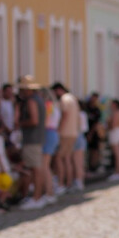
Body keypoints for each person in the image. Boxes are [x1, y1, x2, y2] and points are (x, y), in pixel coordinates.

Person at [16, 76, 51, 210]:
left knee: (35, 169)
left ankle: (37, 197)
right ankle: (38, 196)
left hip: (32, 138)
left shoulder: (31, 101)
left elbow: (34, 120)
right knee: (38, 167)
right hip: (38, 137)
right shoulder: (39, 100)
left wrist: (20, 123)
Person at [52, 82, 82, 191]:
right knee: (67, 158)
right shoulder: (73, 99)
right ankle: (68, 182)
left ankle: (61, 184)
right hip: (73, 132)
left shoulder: (64, 99)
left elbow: (65, 115)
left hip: (65, 133)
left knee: (59, 158)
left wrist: (59, 130)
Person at [106, 99, 119, 181]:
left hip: (115, 132)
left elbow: (113, 125)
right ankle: (118, 171)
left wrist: (108, 122)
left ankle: (117, 172)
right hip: (118, 132)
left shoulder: (116, 113)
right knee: (118, 153)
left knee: (117, 153)